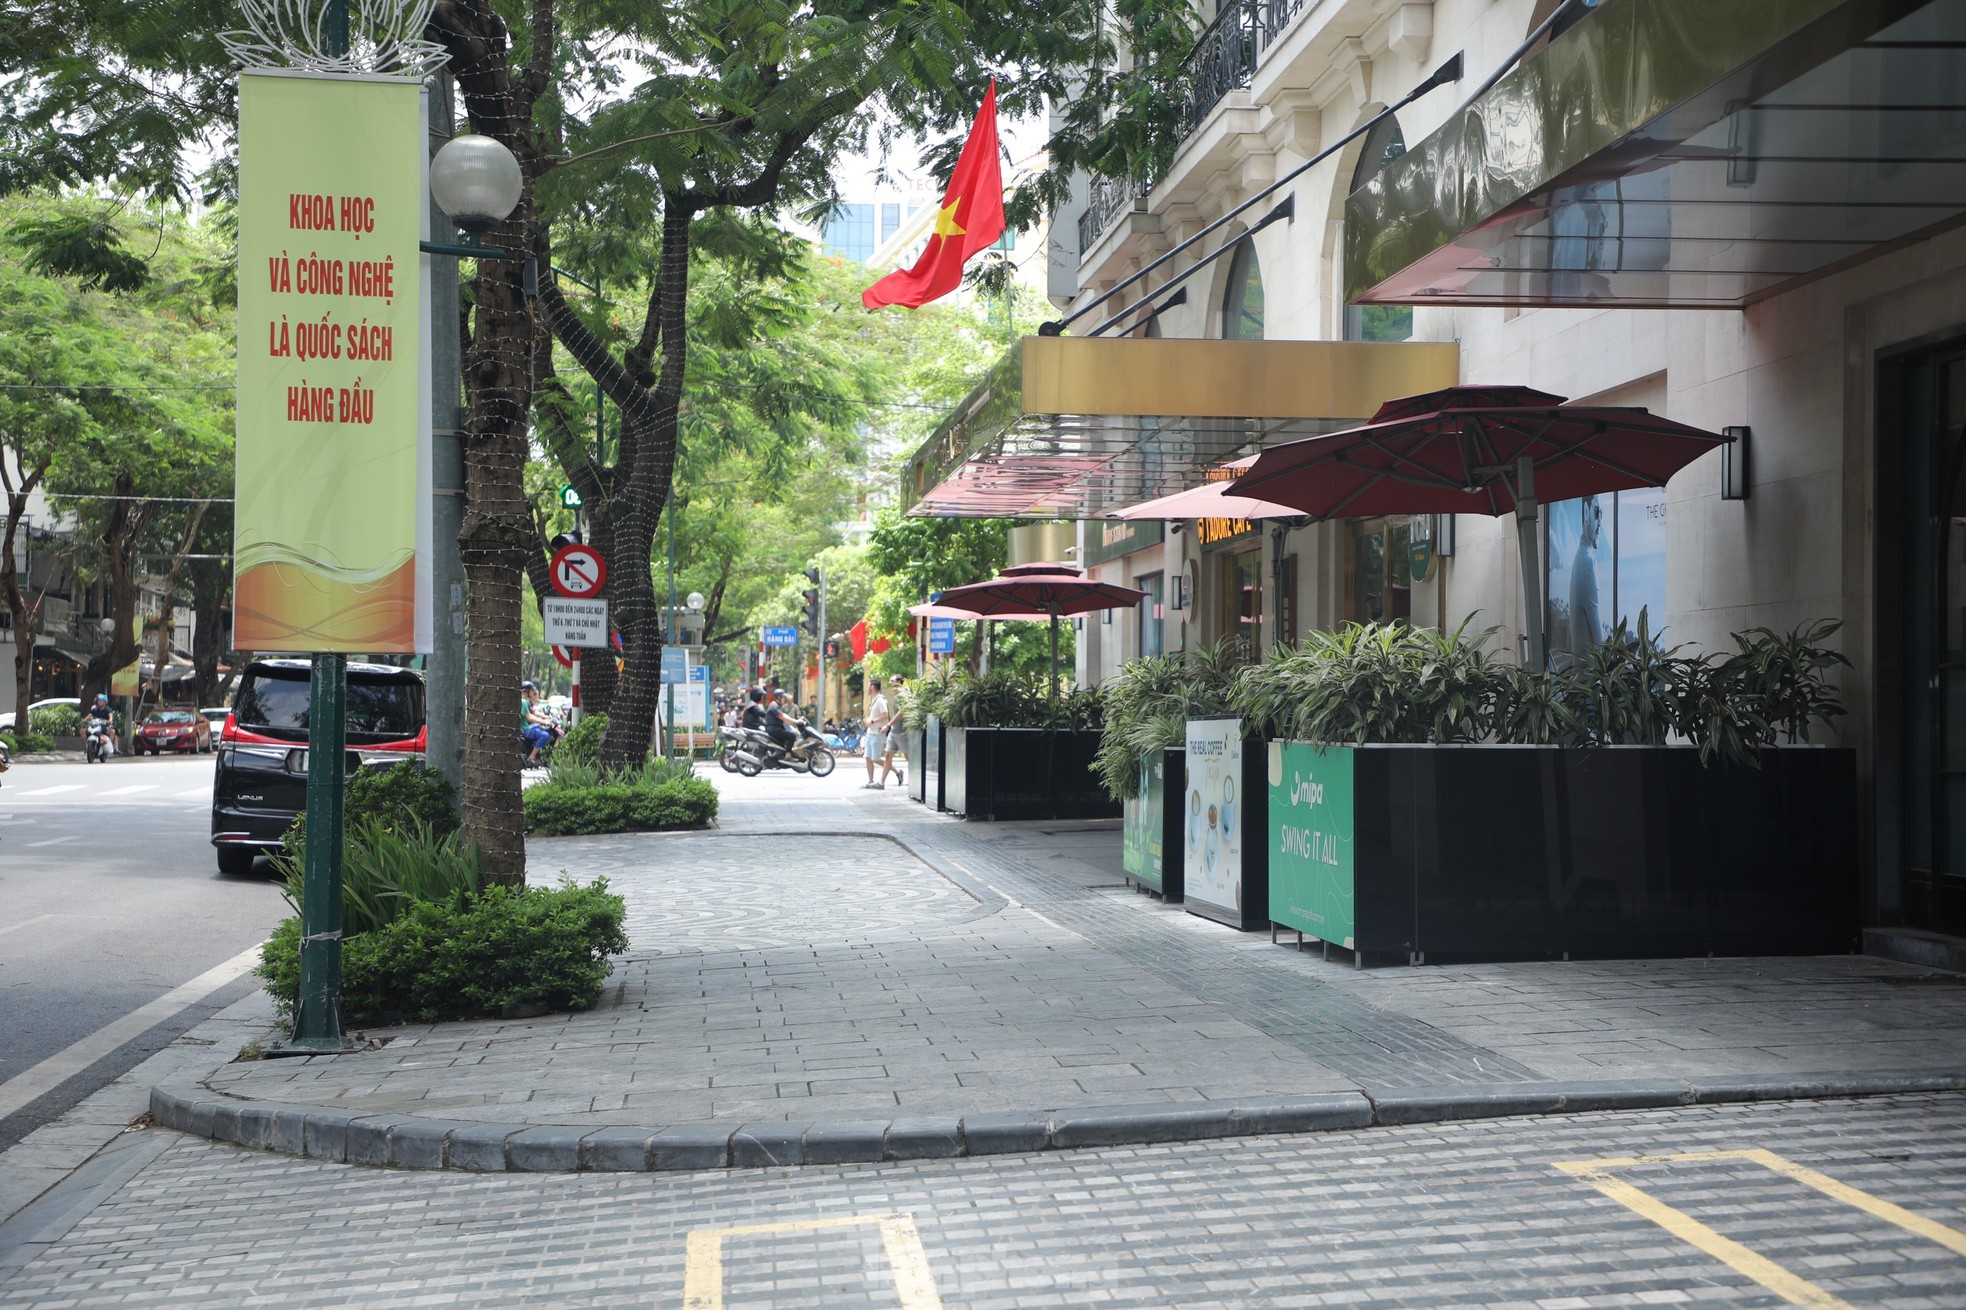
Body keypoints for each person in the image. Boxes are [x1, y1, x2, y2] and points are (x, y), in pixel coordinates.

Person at [878, 675, 907, 787]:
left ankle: (917, 780)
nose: (890, 682)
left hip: (902, 731)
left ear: (899, 682)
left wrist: (888, 725)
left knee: (908, 756)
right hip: (894, 731)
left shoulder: (902, 695)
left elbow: (901, 712)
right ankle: (881, 782)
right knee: (888, 756)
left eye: (892, 680)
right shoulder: (895, 696)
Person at [862, 678, 889, 789]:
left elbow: (885, 715)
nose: (867, 689)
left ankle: (896, 771)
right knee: (868, 757)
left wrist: (872, 721)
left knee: (875, 758)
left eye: (868, 686)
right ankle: (870, 780)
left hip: (878, 733)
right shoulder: (874, 700)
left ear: (872, 687)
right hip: (870, 732)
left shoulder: (880, 700)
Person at [521, 680, 555, 766]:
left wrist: (545, 719)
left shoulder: (524, 701)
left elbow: (533, 714)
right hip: (525, 729)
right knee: (545, 735)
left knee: (540, 726)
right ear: (526, 691)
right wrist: (545, 721)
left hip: (525, 728)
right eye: (531, 690)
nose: (533, 692)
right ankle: (532, 756)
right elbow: (530, 717)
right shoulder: (524, 702)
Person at [85, 693, 118, 758]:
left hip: (104, 727)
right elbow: (89, 715)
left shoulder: (108, 709)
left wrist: (110, 720)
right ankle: (87, 746)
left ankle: (109, 745)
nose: (99, 702)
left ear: (105, 702)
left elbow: (110, 716)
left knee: (113, 731)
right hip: (94, 726)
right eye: (98, 701)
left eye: (101, 701)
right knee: (82, 731)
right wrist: (84, 720)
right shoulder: (94, 709)